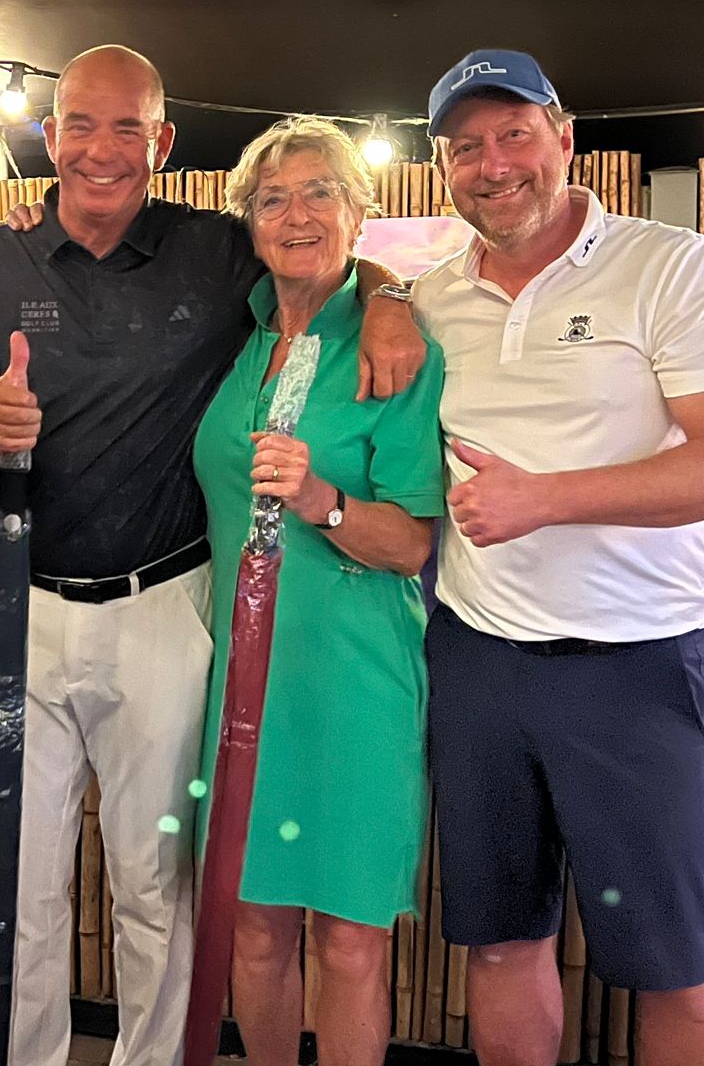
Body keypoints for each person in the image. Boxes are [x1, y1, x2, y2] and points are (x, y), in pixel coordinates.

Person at [0, 44, 425, 1066]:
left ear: (161, 142)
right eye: (79, 125)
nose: (100, 150)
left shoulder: (213, 249)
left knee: (157, 882)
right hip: (19, 604)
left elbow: (325, 254)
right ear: (48, 136)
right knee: (16, 881)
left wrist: (391, 297)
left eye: (127, 128)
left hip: (164, 604)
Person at [413, 50, 704, 1066]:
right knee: (496, 944)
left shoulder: (666, 263)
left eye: (514, 134)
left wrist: (543, 499)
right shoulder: (430, 299)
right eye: (465, 146)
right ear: (442, 166)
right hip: (475, 660)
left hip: (634, 662)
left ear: (564, 139)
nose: (492, 164)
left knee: (670, 966)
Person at [193, 118, 444, 1066]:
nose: (296, 215)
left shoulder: (399, 352)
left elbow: (412, 544)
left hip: (353, 679)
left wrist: (322, 500)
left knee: (348, 941)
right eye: (273, 199)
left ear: (358, 211)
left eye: (319, 193)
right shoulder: (233, 330)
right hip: (236, 680)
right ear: (248, 223)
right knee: (253, 931)